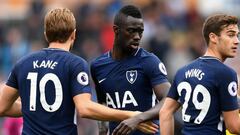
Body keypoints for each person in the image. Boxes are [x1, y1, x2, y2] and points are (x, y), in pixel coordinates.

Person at [0, 8, 157, 135]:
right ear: (74, 35)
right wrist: (130, 115)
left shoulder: (22, 63)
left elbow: (2, 107)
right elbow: (85, 108)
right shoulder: (75, 64)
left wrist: (33, 108)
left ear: (46, 34)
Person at [90, 5, 171, 135]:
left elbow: (170, 99)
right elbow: (103, 103)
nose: (137, 36)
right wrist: (102, 130)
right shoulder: (97, 66)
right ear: (116, 30)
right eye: (132, 31)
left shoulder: (149, 61)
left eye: (140, 31)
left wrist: (138, 118)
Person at [159, 14, 240, 135]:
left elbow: (165, 112)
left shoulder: (183, 71)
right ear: (213, 37)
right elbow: (234, 127)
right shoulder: (226, 73)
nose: (237, 41)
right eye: (231, 35)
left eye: (237, 35)